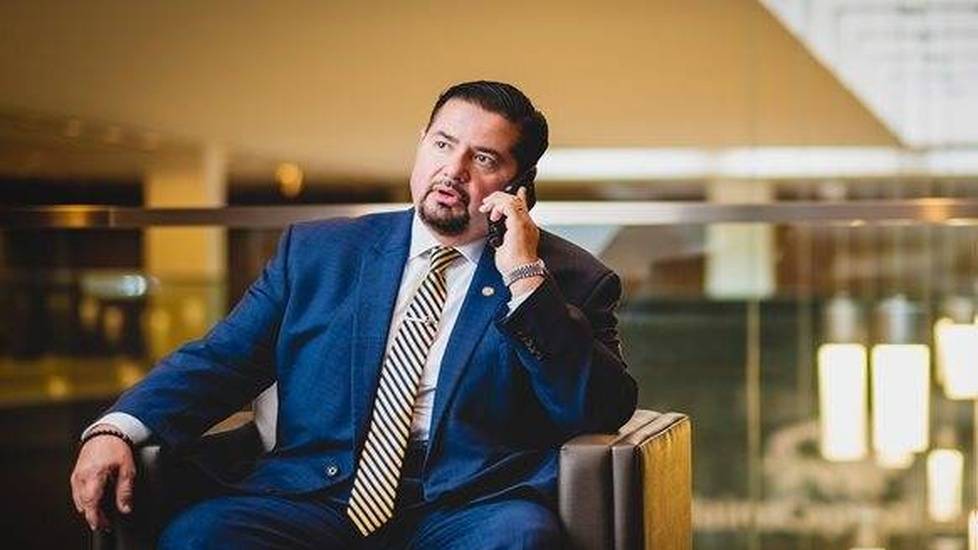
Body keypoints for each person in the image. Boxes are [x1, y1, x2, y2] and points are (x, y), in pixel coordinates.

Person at [70, 80, 637, 549]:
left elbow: (596, 410)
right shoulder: (317, 254)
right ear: (420, 144)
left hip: (472, 505)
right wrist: (117, 428)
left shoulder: (568, 280)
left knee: (521, 541)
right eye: (442, 145)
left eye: (482, 158)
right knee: (202, 537)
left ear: (516, 185)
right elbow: (221, 361)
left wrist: (524, 278)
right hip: (317, 497)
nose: (453, 170)